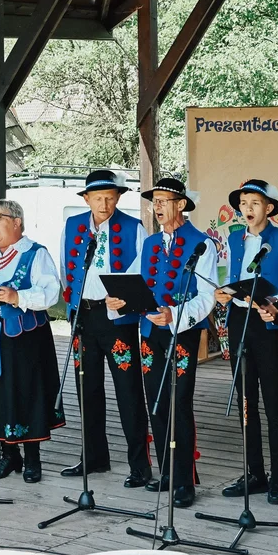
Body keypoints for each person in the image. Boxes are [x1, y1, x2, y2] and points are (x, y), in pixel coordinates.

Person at [107, 178, 216, 509]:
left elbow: (207, 295)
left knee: (179, 403)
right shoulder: (151, 242)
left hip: (181, 333)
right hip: (149, 332)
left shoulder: (202, 244)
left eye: (163, 200)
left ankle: (185, 479)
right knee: (155, 399)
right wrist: (120, 300)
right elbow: (132, 281)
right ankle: (167, 472)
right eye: (154, 201)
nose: (157, 206)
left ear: (181, 204)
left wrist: (176, 317)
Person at [58, 170, 151, 488]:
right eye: (98, 197)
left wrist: (124, 301)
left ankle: (139, 464)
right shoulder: (73, 226)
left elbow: (142, 275)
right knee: (88, 390)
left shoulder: (132, 227)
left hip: (118, 322)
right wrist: (73, 307)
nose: (105, 202)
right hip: (84, 317)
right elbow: (64, 270)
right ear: (86, 199)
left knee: (128, 392)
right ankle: (94, 456)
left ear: (119, 198)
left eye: (111, 197)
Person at [0, 200, 63, 483]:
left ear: (17, 222)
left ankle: (32, 458)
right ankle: (8, 455)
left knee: (26, 393)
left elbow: (51, 294)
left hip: (26, 338)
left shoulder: (35, 253)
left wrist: (18, 297)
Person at [216, 180, 278, 505]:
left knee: (273, 401)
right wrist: (224, 291)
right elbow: (234, 275)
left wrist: (272, 305)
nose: (248, 209)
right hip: (241, 322)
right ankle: (255, 472)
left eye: (254, 203)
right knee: (246, 400)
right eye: (243, 203)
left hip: (269, 324)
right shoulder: (235, 239)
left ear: (269, 208)